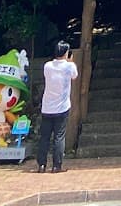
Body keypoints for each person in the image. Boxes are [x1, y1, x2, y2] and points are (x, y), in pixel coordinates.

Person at [37, 40, 79, 173]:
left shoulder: (47, 66)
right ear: (66, 53)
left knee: (44, 137)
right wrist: (71, 61)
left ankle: (42, 165)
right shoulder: (69, 66)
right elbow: (75, 76)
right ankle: (57, 166)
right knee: (59, 137)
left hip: (47, 107)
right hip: (62, 107)